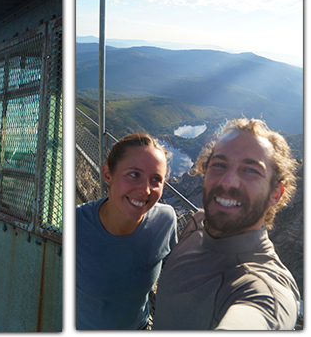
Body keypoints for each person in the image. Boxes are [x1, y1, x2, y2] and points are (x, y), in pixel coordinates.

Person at [152, 118, 300, 330]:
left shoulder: (265, 289)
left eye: (250, 170)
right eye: (219, 165)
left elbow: (262, 314)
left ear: (275, 193)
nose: (228, 181)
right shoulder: (197, 222)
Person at [76, 133, 177, 330]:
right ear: (108, 175)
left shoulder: (165, 221)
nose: (145, 190)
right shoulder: (76, 225)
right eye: (134, 174)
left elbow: (178, 279)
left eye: (156, 179)